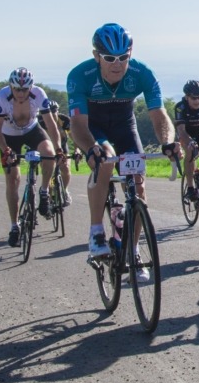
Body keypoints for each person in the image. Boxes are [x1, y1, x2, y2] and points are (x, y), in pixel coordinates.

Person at [66, 23, 180, 262]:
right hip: (93, 128)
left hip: (125, 127)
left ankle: (133, 249)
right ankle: (96, 231)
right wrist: (90, 149)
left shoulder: (142, 73)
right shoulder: (80, 76)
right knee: (105, 160)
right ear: (97, 56)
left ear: (130, 53)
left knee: (138, 185)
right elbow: (77, 125)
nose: (117, 64)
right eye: (109, 58)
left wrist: (168, 142)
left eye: (123, 57)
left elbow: (159, 114)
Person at [0, 67, 62, 247]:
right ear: (10, 87)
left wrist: (59, 148)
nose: (20, 93)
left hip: (32, 130)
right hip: (8, 136)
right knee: (13, 179)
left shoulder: (38, 94)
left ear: (30, 88)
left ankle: (44, 191)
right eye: (16, 89)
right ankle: (15, 225)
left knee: (49, 153)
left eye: (24, 89)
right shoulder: (1, 97)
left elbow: (51, 125)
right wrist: (5, 149)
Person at [39, 100, 73, 206]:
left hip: (62, 147)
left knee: (66, 168)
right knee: (48, 170)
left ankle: (65, 190)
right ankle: (48, 197)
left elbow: (74, 136)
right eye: (50, 112)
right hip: (46, 149)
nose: (53, 114)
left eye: (55, 112)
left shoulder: (64, 120)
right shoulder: (40, 121)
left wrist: (77, 149)